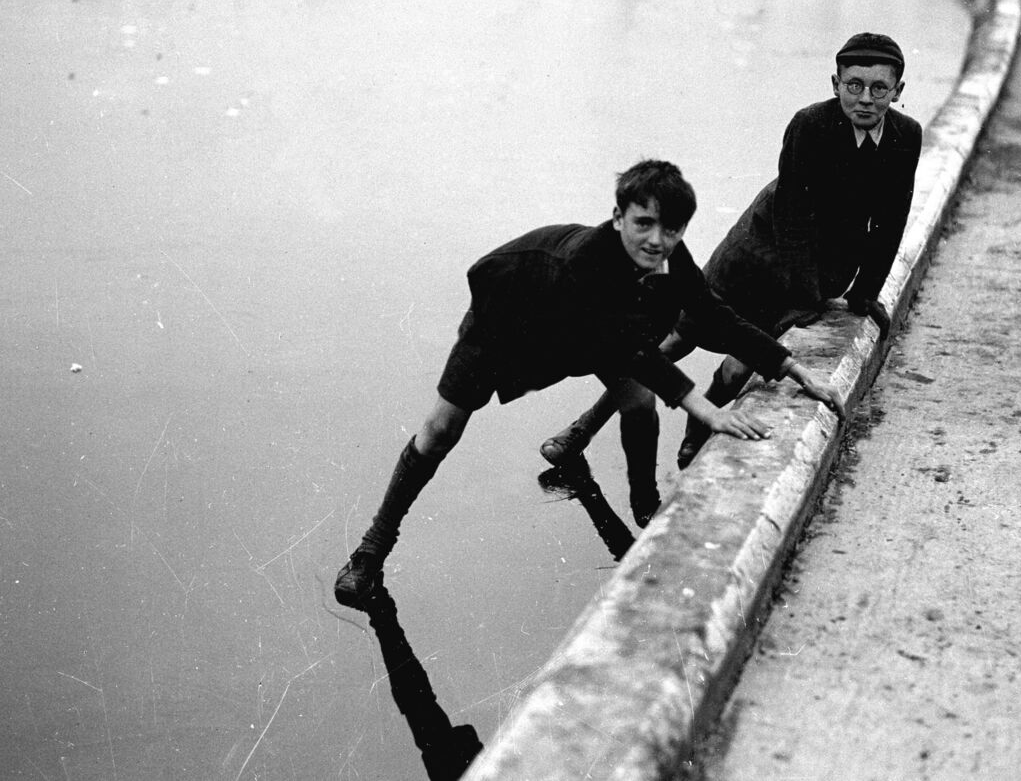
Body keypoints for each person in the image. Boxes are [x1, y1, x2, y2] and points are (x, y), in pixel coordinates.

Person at [334, 160, 845, 610]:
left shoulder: (670, 255)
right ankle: (372, 548)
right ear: (618, 216)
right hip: (508, 324)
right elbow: (627, 347)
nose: (656, 240)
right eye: (643, 224)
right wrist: (706, 411)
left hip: (597, 335)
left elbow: (711, 313)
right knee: (440, 431)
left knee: (638, 401)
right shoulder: (582, 264)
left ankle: (645, 507)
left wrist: (790, 366)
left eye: (671, 229)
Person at [540, 33, 921, 470]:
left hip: (822, 266)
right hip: (760, 250)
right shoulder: (809, 124)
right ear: (835, 83)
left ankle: (699, 429)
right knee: (678, 337)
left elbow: (892, 219)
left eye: (879, 89)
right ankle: (583, 428)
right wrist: (808, 297)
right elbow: (792, 217)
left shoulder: (906, 136)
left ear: (898, 92)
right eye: (854, 85)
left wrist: (864, 292)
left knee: (742, 365)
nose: (866, 99)